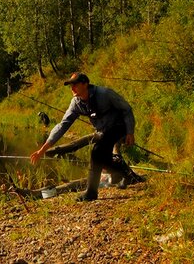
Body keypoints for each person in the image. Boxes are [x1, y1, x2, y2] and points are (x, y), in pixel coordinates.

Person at [30, 72, 136, 202]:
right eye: (70, 86)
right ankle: (126, 174)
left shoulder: (105, 93)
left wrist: (130, 132)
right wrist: (43, 149)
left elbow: (126, 109)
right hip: (103, 131)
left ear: (85, 84)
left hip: (119, 126)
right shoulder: (76, 103)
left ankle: (91, 192)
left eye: (75, 84)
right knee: (104, 159)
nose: (72, 88)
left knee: (96, 151)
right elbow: (63, 125)